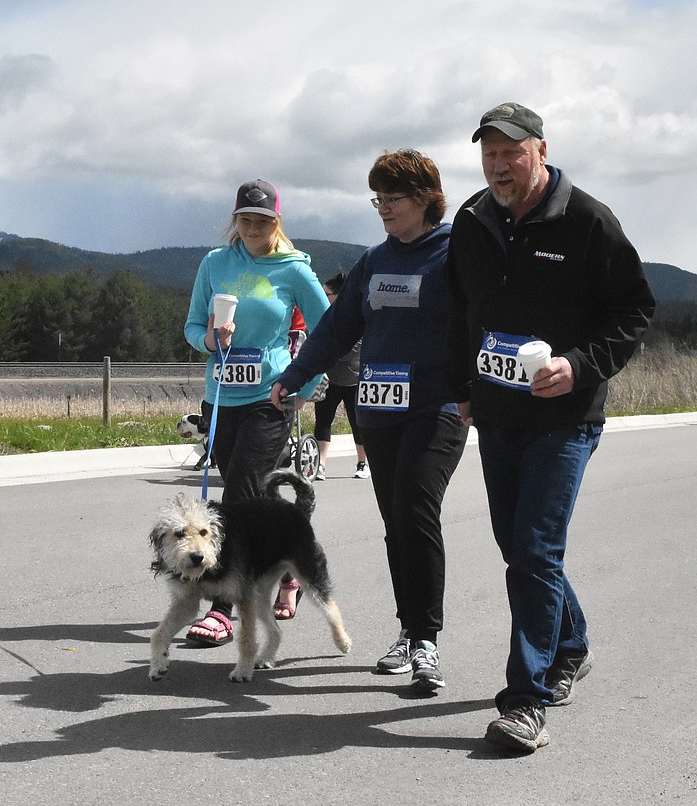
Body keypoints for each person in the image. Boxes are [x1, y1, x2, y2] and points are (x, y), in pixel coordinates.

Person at [446, 102, 655, 752]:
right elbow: (460, 313)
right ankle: (571, 644)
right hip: (498, 412)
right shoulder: (473, 220)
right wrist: (464, 389)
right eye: (490, 153)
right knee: (519, 548)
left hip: (565, 416)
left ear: (540, 149)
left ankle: (525, 701)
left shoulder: (587, 220)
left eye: (512, 151)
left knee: (535, 549)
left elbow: (635, 310)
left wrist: (580, 365)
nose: (501, 164)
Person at [273, 150, 468, 693]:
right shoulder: (374, 260)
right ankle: (410, 629)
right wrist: (295, 374)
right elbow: (337, 328)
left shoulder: (455, 254)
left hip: (439, 407)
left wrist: (474, 389)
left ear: (426, 199)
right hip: (379, 408)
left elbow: (482, 320)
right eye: (377, 198)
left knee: (414, 508)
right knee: (395, 520)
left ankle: (427, 638)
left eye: (393, 198)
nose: (382, 208)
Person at [182, 179, 328, 645]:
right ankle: (289, 557)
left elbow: (331, 331)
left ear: (276, 223)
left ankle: (224, 607)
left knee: (239, 496)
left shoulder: (294, 269)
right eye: (244, 219)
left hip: (271, 397)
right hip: (221, 397)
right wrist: (210, 340)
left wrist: (303, 387)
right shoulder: (215, 264)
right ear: (235, 220)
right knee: (246, 493)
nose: (251, 228)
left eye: (261, 221)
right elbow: (190, 325)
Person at [312, 273, 369, 481]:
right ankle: (320, 465)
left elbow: (351, 350)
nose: (323, 296)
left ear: (338, 294)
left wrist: (327, 350)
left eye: (327, 293)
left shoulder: (357, 314)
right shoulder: (324, 315)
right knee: (323, 421)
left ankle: (362, 463)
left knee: (357, 423)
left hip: (354, 380)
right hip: (329, 378)